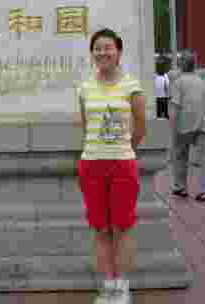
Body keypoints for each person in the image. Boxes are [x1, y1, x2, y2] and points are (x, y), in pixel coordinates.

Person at [76, 28, 146, 304]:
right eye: (97, 48)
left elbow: (140, 128)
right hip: (91, 164)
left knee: (123, 228)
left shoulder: (132, 87)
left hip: (122, 164)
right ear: (92, 54)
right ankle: (107, 288)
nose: (102, 52)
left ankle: (122, 289)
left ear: (118, 52)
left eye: (108, 48)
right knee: (101, 230)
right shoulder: (84, 88)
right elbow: (86, 127)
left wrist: (124, 150)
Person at [168, 53, 205, 202]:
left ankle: (181, 187)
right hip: (203, 123)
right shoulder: (202, 82)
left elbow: (175, 106)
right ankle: (203, 191)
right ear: (195, 65)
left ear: (181, 65)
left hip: (183, 124)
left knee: (180, 155)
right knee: (204, 157)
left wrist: (172, 126)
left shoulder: (178, 83)